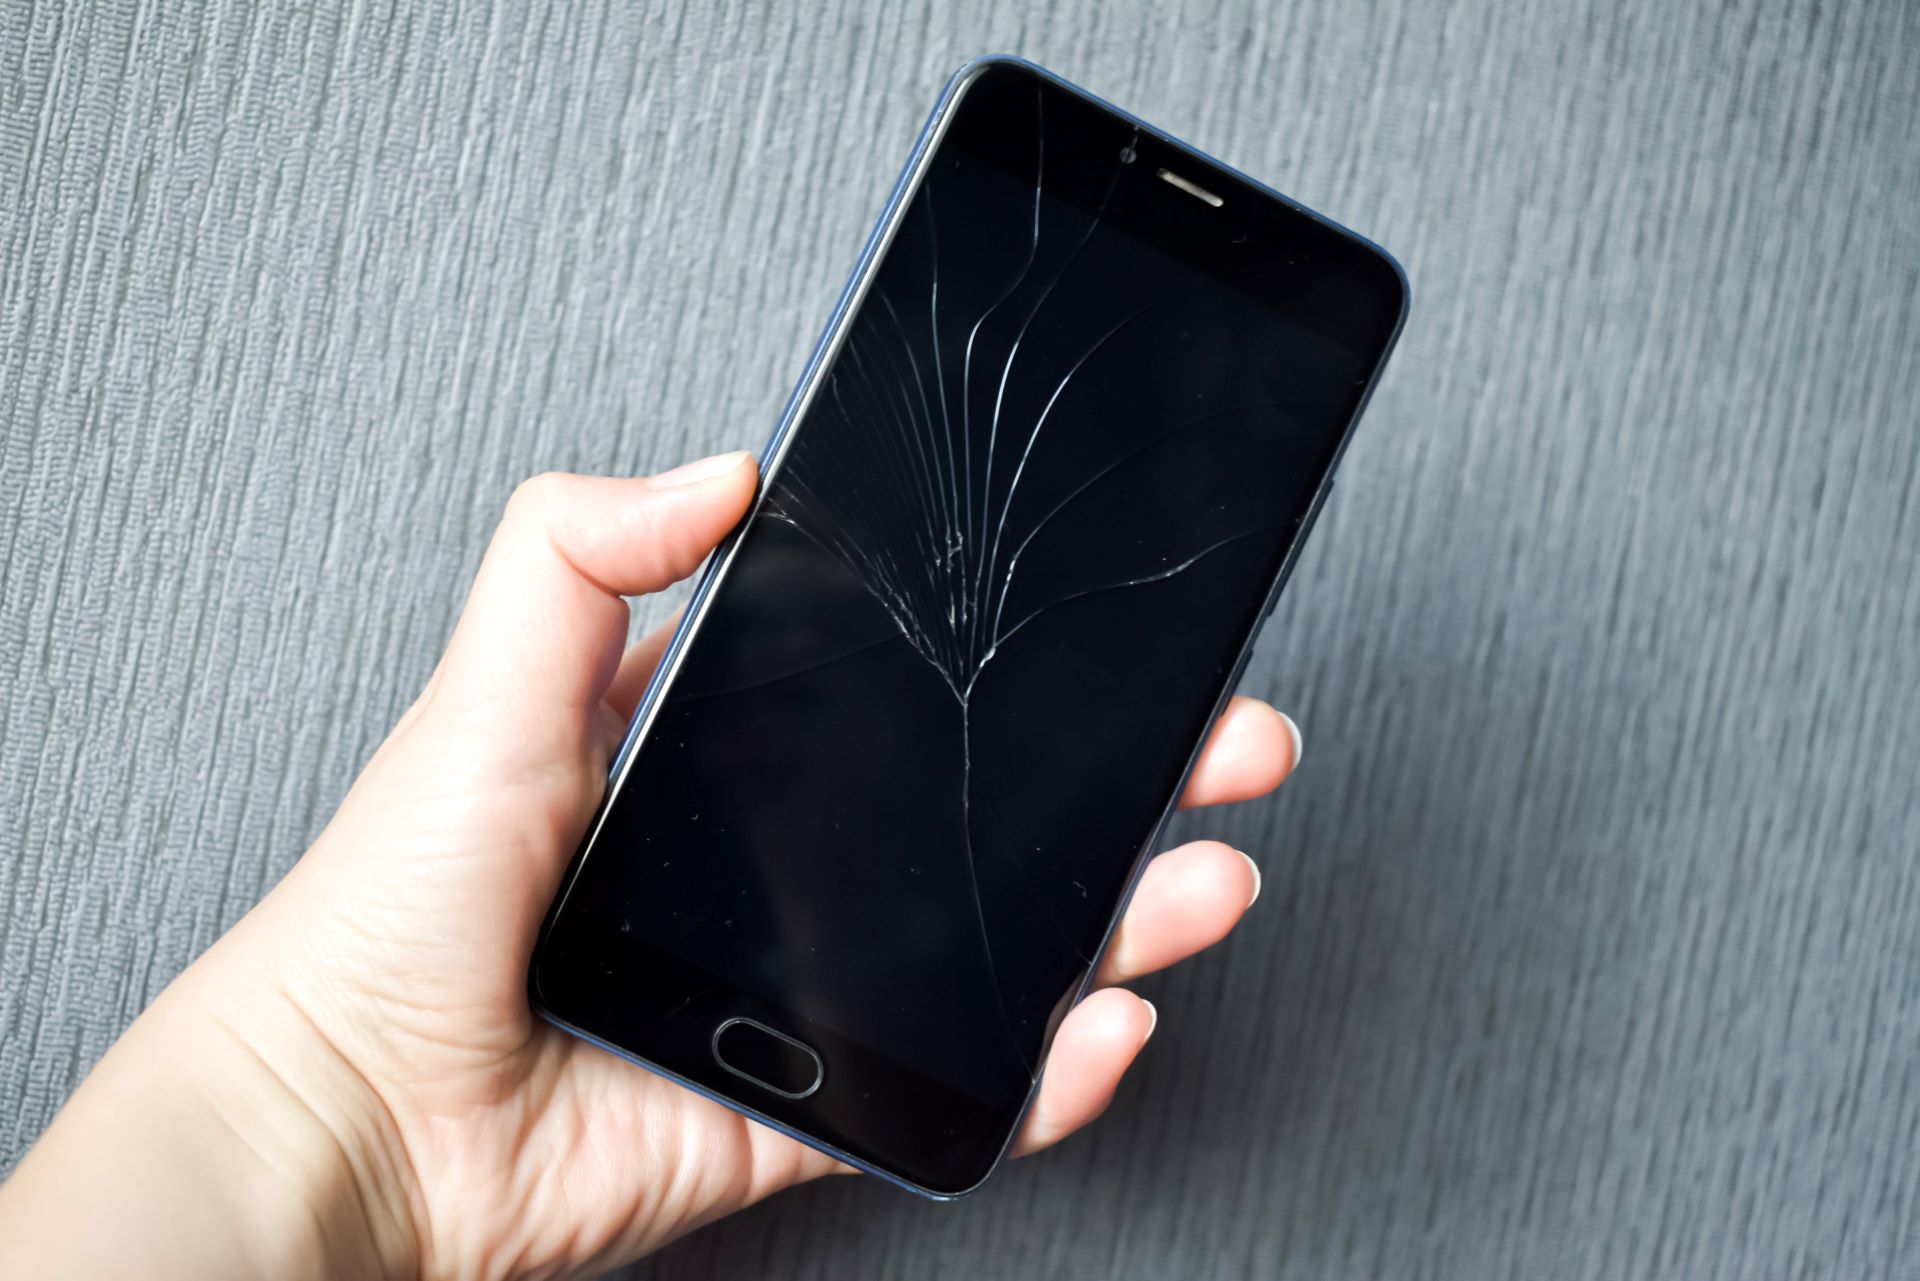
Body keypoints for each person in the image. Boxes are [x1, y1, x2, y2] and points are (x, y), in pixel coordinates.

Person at [0, 452, 1300, 1278]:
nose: (756, 741)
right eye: (757, 696)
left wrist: (343, 1123)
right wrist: (343, 1098)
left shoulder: (936, 946)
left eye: (814, 695)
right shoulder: (646, 897)